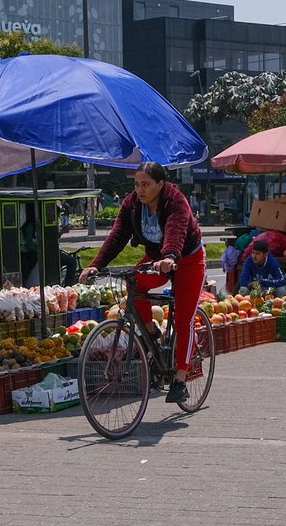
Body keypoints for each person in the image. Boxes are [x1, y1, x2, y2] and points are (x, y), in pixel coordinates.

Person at [80, 161, 206, 405]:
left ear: (161, 184)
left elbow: (176, 230)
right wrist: (97, 264)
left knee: (184, 319)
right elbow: (117, 236)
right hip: (158, 258)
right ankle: (151, 333)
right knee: (134, 283)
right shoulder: (132, 204)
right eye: (137, 184)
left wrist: (170, 256)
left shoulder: (175, 200)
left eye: (146, 184)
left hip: (187, 258)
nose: (140, 189)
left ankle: (180, 379)